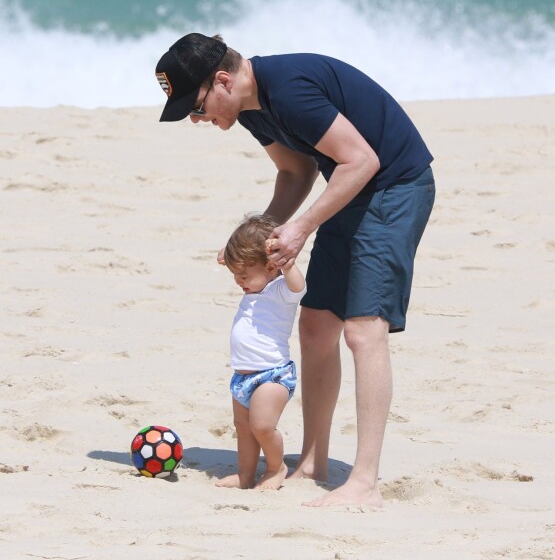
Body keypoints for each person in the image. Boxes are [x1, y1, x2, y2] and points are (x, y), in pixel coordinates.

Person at [155, 33, 435, 507]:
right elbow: (296, 173)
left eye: (197, 107)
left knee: (363, 330)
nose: (198, 120)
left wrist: (302, 227)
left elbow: (363, 159)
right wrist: (254, 243)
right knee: (315, 324)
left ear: (222, 80)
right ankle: (313, 462)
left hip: (393, 187)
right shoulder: (251, 106)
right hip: (349, 186)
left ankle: (364, 483)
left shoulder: (288, 89)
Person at [217, 214, 306, 490]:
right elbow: (241, 258)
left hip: (272, 376)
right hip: (242, 377)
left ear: (270, 266)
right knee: (243, 429)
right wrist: (231, 255)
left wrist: (287, 263)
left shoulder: (279, 290)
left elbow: (299, 286)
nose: (238, 281)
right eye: (235, 275)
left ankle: (275, 467)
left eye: (243, 275)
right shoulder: (252, 289)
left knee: (262, 426)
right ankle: (245, 475)